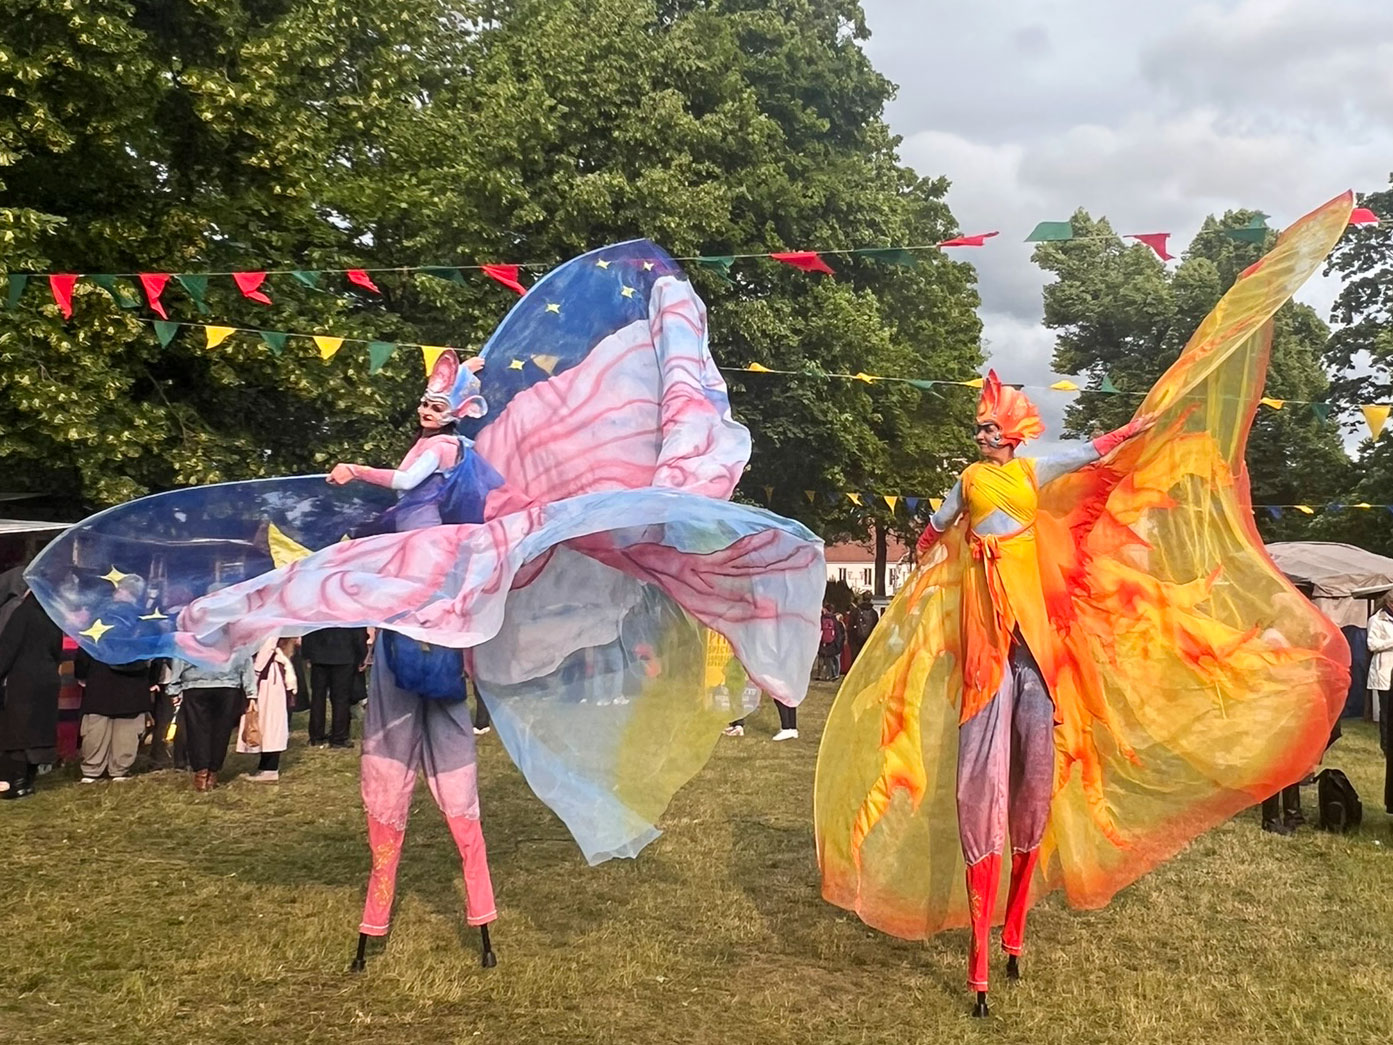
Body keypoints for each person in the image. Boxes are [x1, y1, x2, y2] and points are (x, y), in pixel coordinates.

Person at [815, 194, 1354, 1020]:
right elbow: (933, 525)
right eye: (981, 429)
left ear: (1010, 434)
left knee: (1034, 783)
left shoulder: (1031, 469)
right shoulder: (966, 480)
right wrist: (928, 554)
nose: (983, 437)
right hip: (984, 640)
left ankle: (1017, 930)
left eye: (991, 429)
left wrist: (1147, 423)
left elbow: (1093, 449)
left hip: (1039, 638)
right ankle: (978, 956)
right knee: (977, 791)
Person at [0, 588, 62, 799]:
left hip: (24, 680)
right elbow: (57, 650)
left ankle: (13, 783)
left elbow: (8, 648)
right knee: (38, 731)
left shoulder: (22, 614)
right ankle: (28, 782)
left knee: (17, 731)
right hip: (48, 679)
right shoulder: (53, 617)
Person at [163, 652, 255, 792]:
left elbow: (180, 656)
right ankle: (213, 772)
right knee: (221, 730)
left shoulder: (192, 632)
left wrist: (174, 688)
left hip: (195, 684)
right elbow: (244, 657)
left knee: (197, 730)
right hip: (228, 683)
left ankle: (201, 772)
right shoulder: (232, 632)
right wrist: (251, 692)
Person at [74, 650, 157, 782]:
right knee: (127, 733)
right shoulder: (142, 629)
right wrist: (152, 680)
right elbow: (155, 654)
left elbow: (84, 652)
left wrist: (82, 675)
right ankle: (119, 771)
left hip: (99, 683)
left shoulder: (93, 628)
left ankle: (91, 771)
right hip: (134, 686)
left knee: (96, 730)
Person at [238, 636, 298, 782]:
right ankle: (266, 767)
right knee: (268, 721)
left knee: (270, 721)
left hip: (268, 678)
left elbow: (267, 647)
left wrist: (254, 675)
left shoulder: (271, 629)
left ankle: (270, 769)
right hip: (269, 676)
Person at [301, 627, 367, 748]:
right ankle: (339, 738)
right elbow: (358, 630)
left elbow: (309, 625)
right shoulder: (351, 608)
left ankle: (316, 736)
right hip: (345, 653)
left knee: (318, 697)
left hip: (318, 653)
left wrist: (307, 653)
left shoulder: (319, 607)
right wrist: (362, 655)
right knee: (341, 698)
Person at [1369, 590, 1393, 816]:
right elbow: (1372, 644)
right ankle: (1386, 745)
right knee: (1386, 715)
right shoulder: (1376, 620)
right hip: (1385, 673)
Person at [816, 603, 843, 681]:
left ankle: (820, 674)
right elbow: (838, 631)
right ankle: (832, 674)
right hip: (832, 641)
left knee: (822, 658)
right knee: (831, 658)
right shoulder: (834, 619)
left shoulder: (822, 618)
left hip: (822, 641)